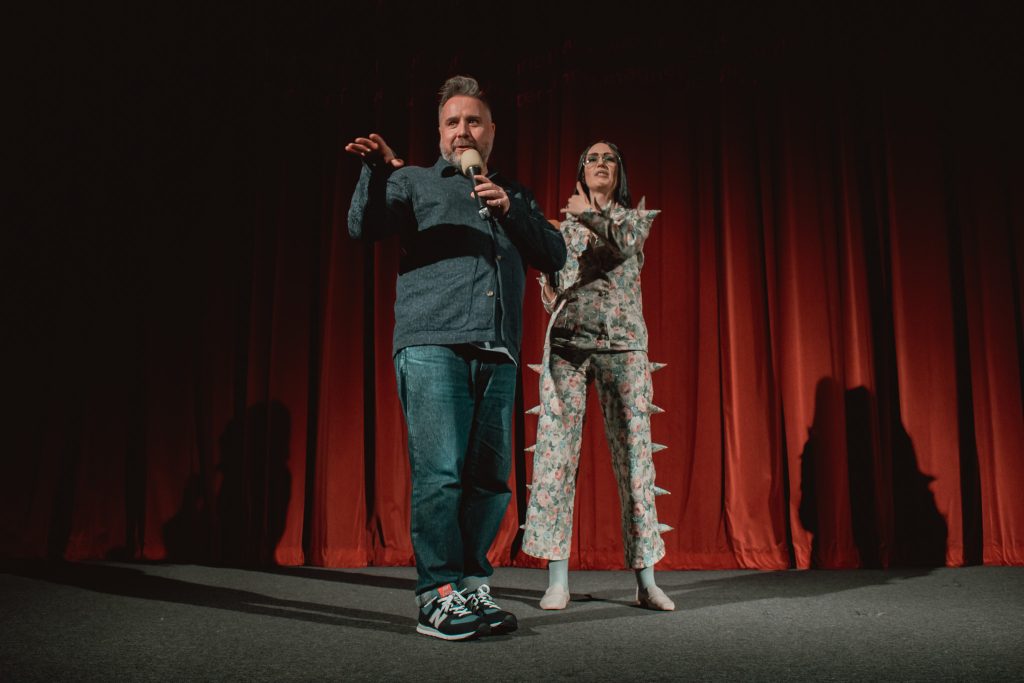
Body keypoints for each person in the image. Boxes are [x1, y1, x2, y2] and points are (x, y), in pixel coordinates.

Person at [346, 75, 567, 640]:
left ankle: (471, 584)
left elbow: (554, 253)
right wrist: (375, 172)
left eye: (473, 121)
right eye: (452, 122)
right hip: (432, 343)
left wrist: (511, 210)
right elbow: (362, 226)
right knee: (441, 475)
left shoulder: (514, 193)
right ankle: (436, 595)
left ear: (491, 132)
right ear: (440, 134)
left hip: (497, 349)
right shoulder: (413, 181)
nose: (462, 130)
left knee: (491, 480)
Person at [521, 141, 675, 611]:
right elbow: (556, 286)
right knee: (555, 459)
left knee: (634, 460)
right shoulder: (562, 228)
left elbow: (621, 244)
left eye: (609, 158)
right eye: (592, 158)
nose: (601, 163)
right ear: (580, 173)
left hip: (623, 346)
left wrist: (585, 215)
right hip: (567, 346)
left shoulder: (633, 219)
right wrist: (549, 277)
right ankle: (557, 580)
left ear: (619, 173)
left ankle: (646, 580)